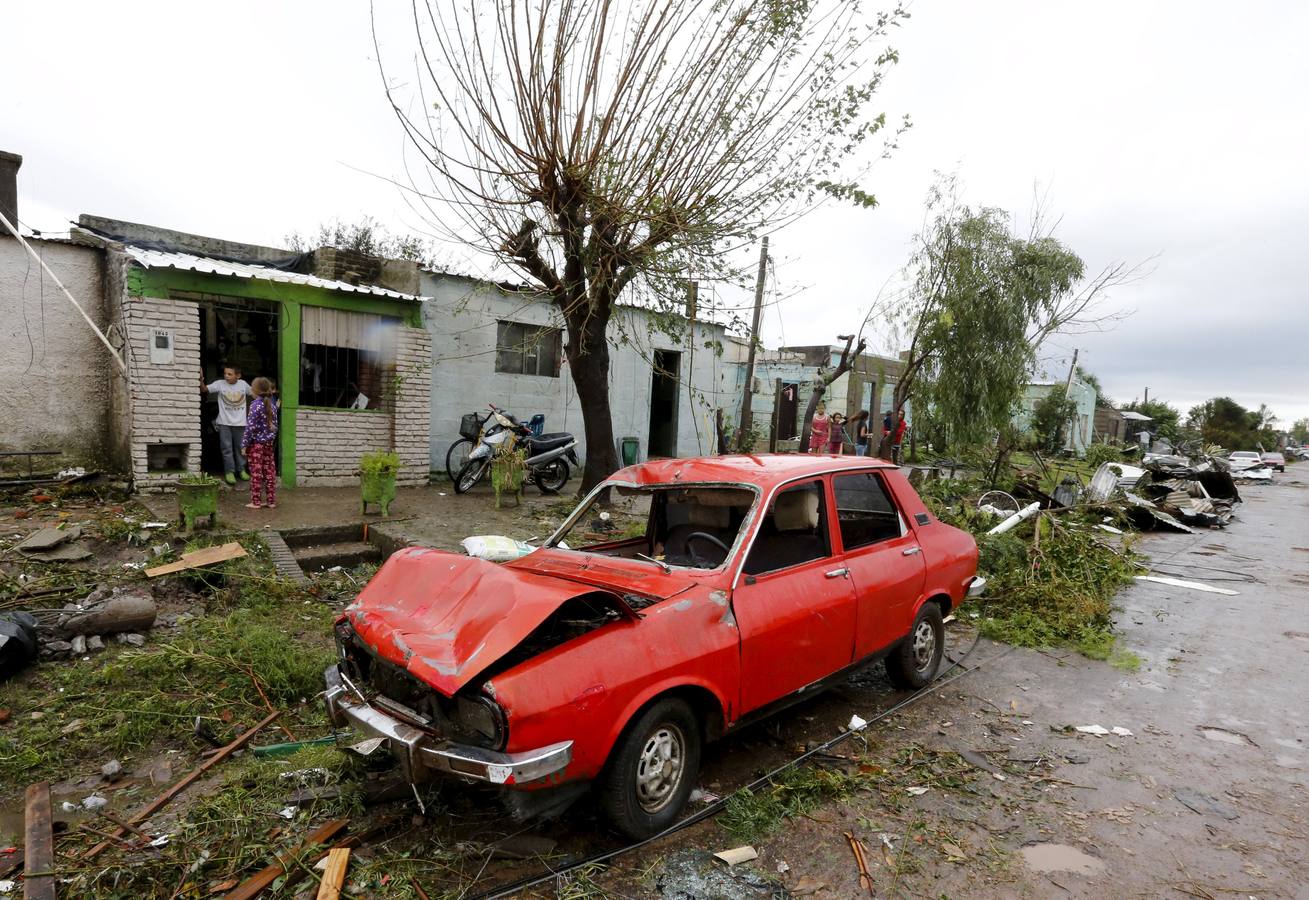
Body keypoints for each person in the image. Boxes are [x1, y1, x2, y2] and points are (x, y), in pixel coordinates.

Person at [201, 364, 252, 485]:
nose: (226, 376)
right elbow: (204, 389)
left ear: (238, 375)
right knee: (226, 449)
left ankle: (242, 470)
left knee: (241, 448)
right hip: (224, 422)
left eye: (230, 374)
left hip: (240, 423)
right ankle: (229, 472)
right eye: (225, 373)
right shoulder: (220, 383)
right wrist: (200, 380)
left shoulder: (243, 384)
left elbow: (254, 394)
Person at [242, 377, 279, 509]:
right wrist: (270, 439)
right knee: (269, 472)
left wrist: (245, 445)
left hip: (256, 446)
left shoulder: (255, 405)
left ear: (255, 390)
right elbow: (275, 427)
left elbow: (250, 428)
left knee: (256, 473)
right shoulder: (273, 406)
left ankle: (256, 502)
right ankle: (271, 501)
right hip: (268, 445)